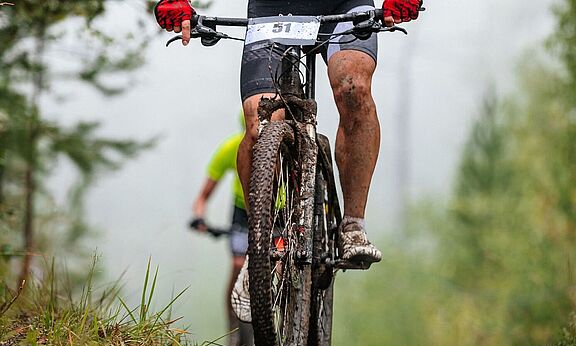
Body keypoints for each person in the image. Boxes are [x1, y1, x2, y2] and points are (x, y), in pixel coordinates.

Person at [155, 0, 422, 320]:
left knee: (354, 87)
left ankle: (353, 225)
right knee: (259, 123)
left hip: (345, 4)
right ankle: (261, 247)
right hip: (272, 8)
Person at [190, 113, 255, 346]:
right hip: (242, 212)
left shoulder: (281, 147)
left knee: (276, 267)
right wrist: (199, 217)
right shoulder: (231, 148)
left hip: (277, 210)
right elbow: (202, 196)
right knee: (238, 267)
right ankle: (235, 338)